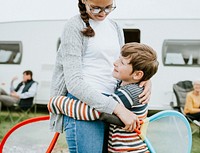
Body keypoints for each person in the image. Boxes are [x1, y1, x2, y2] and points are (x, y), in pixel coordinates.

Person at [50, 0, 152, 152]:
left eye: (108, 7)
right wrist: (117, 109)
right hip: (84, 102)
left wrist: (145, 79)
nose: (103, 13)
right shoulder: (74, 26)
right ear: (84, 1)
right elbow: (74, 82)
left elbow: (126, 63)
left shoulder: (115, 27)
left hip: (113, 101)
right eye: (96, 8)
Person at [48, 42, 159, 152]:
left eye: (122, 62)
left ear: (137, 75)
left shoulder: (130, 92)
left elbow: (97, 111)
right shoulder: (125, 84)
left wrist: (59, 102)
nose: (115, 63)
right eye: (118, 59)